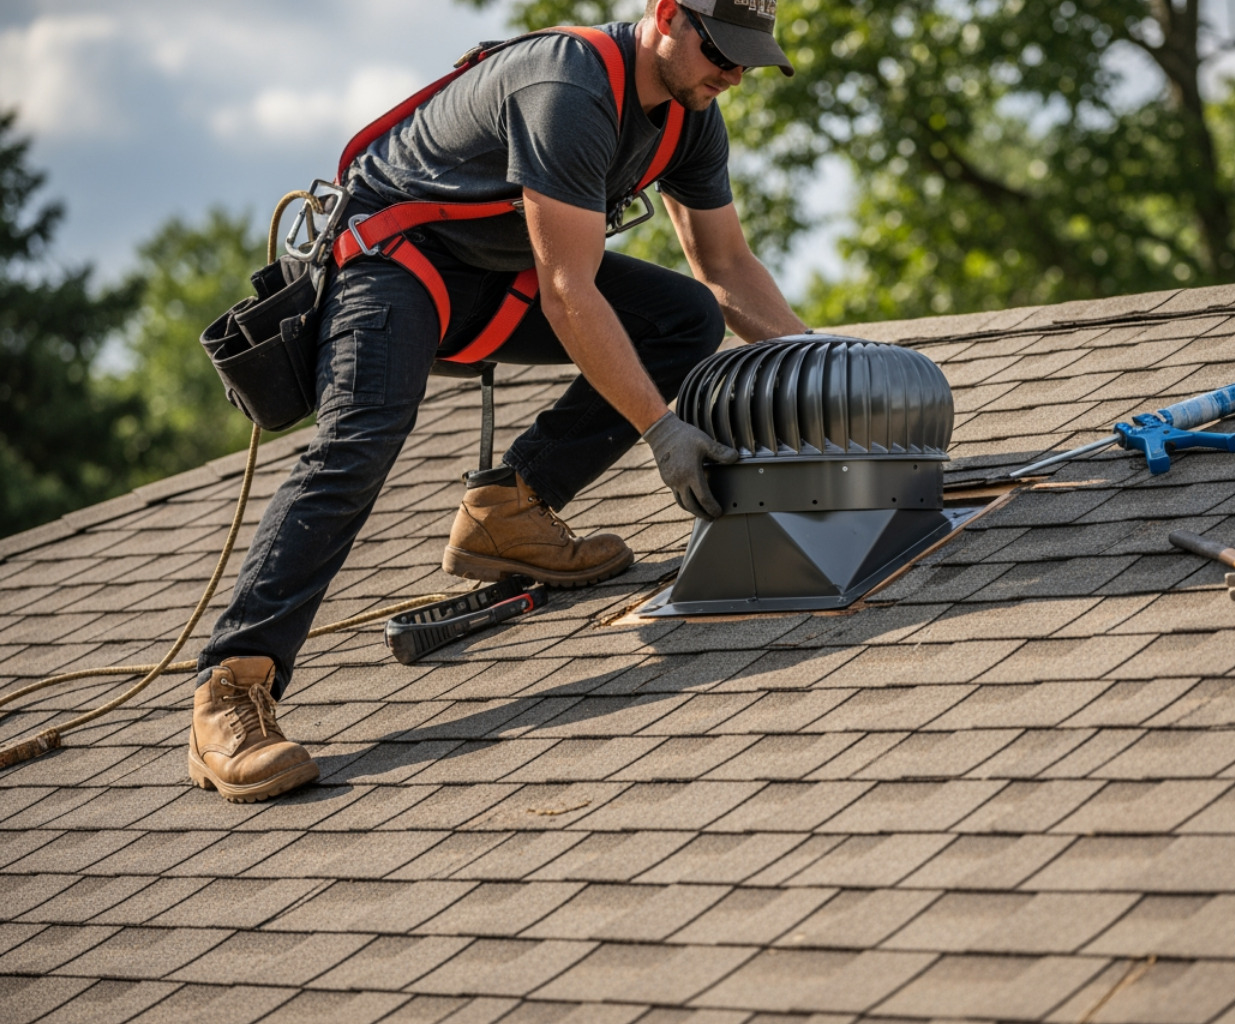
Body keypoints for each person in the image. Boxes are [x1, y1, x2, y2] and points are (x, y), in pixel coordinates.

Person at [186, 0, 806, 802]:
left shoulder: (691, 119)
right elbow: (566, 290)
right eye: (722, 51)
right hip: (394, 256)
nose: (732, 75)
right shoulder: (572, 87)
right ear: (663, 14)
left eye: (748, 62)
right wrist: (662, 429)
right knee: (361, 438)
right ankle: (230, 689)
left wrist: (826, 369)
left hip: (493, 276)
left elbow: (725, 267)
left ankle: (510, 512)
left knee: (683, 316)